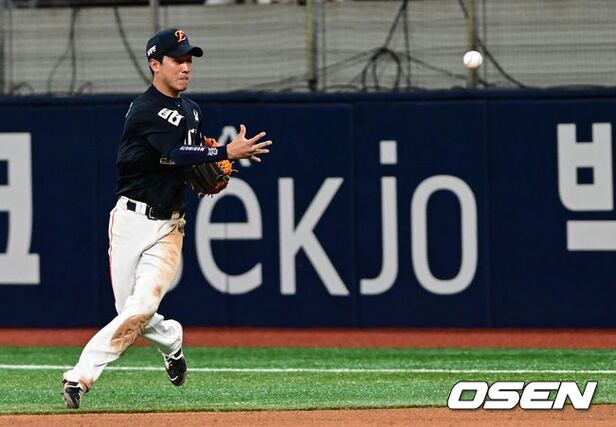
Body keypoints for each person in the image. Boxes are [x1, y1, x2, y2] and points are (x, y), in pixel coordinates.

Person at [61, 28, 272, 409]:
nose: (186, 67)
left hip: (169, 226)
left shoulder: (193, 110)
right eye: (177, 59)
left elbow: (188, 162)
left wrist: (210, 165)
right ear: (155, 64)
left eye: (189, 59)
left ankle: (80, 376)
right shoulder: (145, 109)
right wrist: (225, 151)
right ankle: (172, 338)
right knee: (129, 312)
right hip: (129, 221)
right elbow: (176, 154)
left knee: (140, 308)